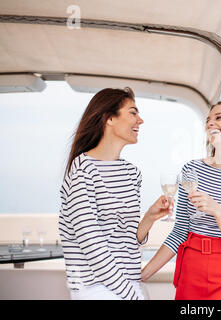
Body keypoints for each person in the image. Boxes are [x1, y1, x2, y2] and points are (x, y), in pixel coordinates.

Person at [141, 101, 221, 300]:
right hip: (192, 270)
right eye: (208, 120)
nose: (210, 123)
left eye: (219, 117)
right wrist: (143, 274)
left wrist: (219, 212)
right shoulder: (191, 170)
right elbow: (180, 232)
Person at [59, 87, 171, 300]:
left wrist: (149, 217)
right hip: (95, 288)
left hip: (128, 283)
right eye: (133, 113)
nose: (140, 120)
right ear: (109, 118)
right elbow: (91, 243)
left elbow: (126, 239)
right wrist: (131, 295)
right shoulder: (83, 170)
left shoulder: (131, 173)